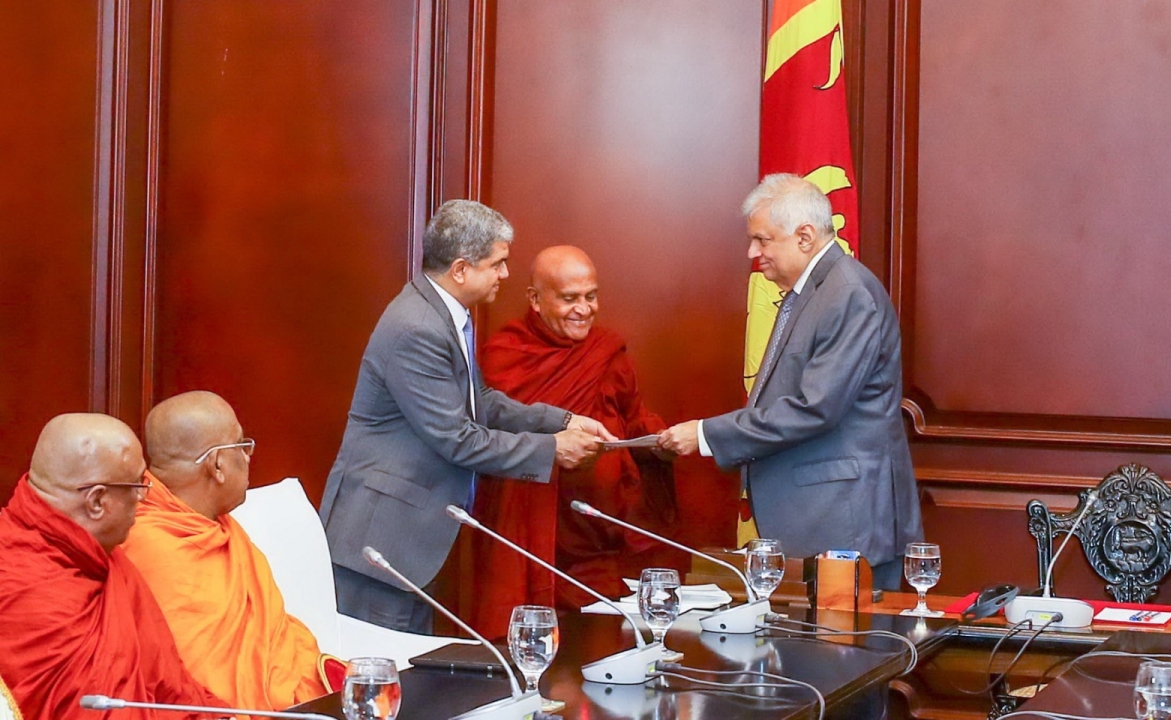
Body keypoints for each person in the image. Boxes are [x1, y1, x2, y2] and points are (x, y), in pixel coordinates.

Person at [320, 200, 615, 633]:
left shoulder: (443, 313)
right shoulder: (418, 327)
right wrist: (553, 449)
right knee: (382, 677)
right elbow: (458, 437)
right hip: (380, 543)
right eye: (497, 264)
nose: (505, 275)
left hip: (409, 539)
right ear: (461, 269)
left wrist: (562, 422)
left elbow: (481, 401)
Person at [659, 174, 923, 589]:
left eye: (763, 240)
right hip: (817, 519)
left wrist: (706, 434)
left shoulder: (847, 294)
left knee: (844, 650)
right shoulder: (816, 291)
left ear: (804, 236)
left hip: (842, 523)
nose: (753, 252)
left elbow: (815, 408)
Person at [466, 245, 676, 637]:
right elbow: (488, 437)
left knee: (597, 652)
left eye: (590, 296)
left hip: (595, 543)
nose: (584, 308)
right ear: (535, 299)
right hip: (527, 539)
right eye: (569, 298)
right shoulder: (505, 355)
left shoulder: (608, 353)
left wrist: (658, 439)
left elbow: (632, 420)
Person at [0, 414, 226, 720]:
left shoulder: (105, 557)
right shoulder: (23, 585)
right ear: (97, 502)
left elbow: (170, 689)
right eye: (137, 485)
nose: (144, 499)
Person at [121, 391, 325, 710]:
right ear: (217, 465)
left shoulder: (214, 523)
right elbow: (197, 686)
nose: (248, 457)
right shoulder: (153, 547)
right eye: (243, 446)